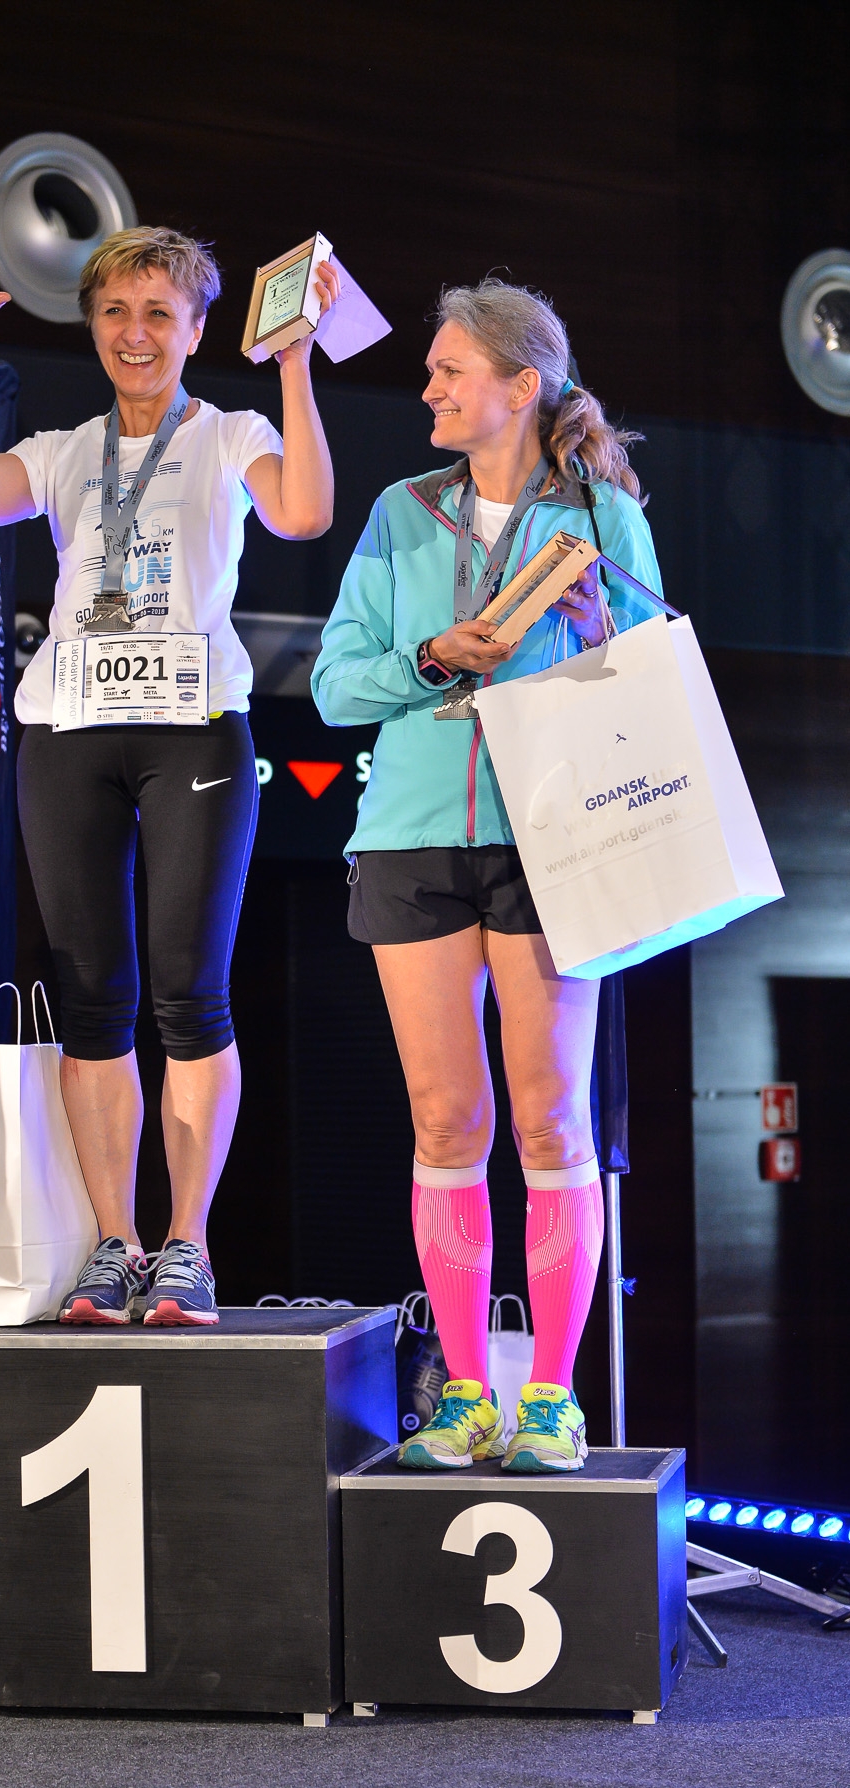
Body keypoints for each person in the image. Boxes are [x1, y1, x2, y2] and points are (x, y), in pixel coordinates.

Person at [0, 226, 336, 1325]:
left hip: (192, 729)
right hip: (68, 730)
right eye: (113, 313)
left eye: (157, 314)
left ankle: (186, 1244)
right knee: (93, 997)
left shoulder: (230, 433)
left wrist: (293, 361)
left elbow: (302, 513)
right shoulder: (61, 452)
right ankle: (114, 1241)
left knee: (191, 992)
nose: (133, 334)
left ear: (195, 328)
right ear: (91, 326)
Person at [313, 277, 666, 1472]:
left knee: (549, 1115)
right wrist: (429, 655)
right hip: (411, 834)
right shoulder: (401, 511)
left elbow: (655, 675)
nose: (427, 388)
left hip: (557, 832)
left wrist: (600, 622)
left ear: (521, 385)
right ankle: (465, 1389)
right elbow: (334, 683)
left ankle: (552, 1395)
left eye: (449, 370)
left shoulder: (601, 514)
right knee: (444, 1117)